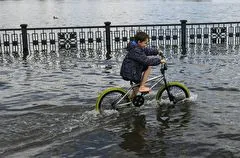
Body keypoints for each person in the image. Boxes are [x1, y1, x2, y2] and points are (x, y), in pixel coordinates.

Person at [120, 31, 165, 99]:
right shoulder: (136, 50)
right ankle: (142, 86)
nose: (146, 45)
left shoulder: (136, 47)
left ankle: (131, 99)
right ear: (139, 42)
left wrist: (157, 51)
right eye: (145, 43)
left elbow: (146, 50)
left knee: (137, 84)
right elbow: (147, 61)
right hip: (131, 72)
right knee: (148, 66)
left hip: (131, 69)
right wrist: (159, 61)